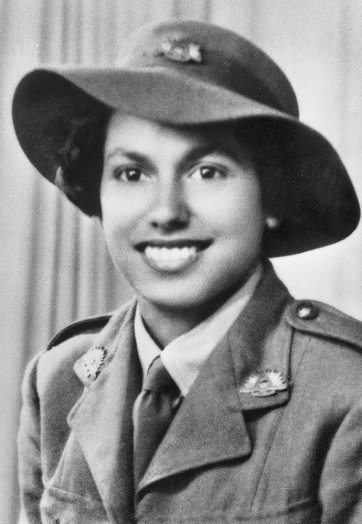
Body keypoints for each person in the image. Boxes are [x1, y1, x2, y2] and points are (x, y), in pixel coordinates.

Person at [13, 20, 362, 524]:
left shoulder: (345, 392)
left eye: (208, 171)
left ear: (272, 197)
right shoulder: (59, 377)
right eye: (132, 173)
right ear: (98, 192)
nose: (166, 212)